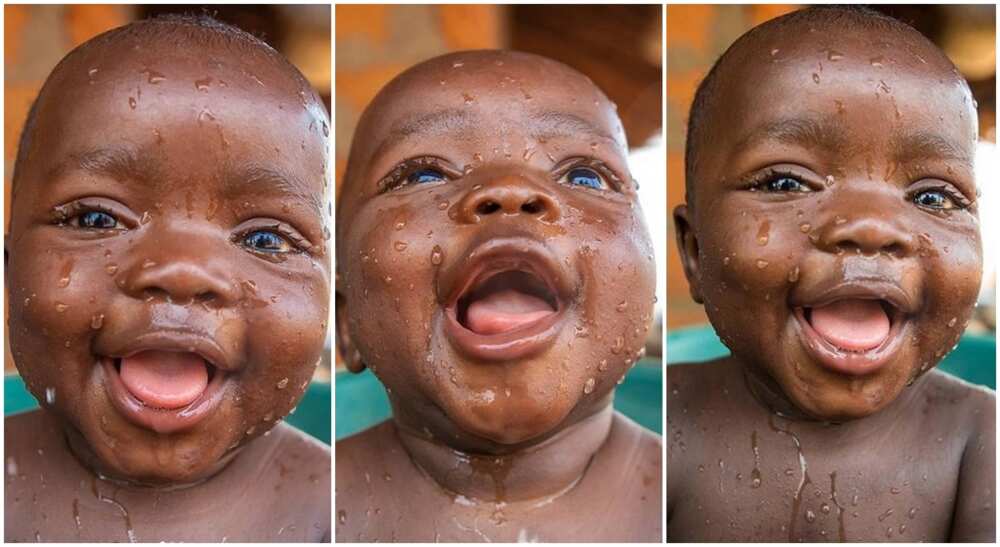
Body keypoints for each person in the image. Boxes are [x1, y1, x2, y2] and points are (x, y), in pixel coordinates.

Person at [668, 6, 994, 541]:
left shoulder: (979, 439)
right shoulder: (666, 422)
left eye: (932, 196)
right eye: (785, 184)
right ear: (696, 251)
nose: (871, 227)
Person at [5, 15, 331, 542]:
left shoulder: (338, 512)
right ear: (8, 267)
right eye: (96, 218)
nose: (183, 273)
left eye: (265, 239)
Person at [335, 49, 661, 542]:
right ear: (346, 321)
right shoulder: (311, 506)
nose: (509, 190)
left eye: (584, 175)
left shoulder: (690, 500)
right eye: (424, 175)